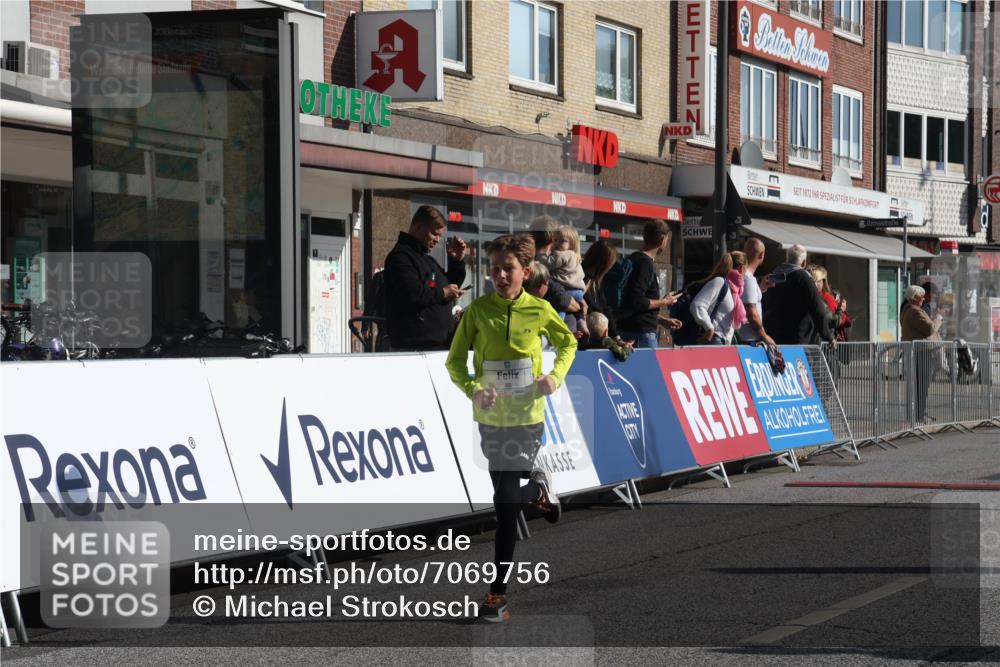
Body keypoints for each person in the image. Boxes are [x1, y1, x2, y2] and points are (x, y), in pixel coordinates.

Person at [445, 234, 577, 624]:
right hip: (491, 421)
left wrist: (555, 376)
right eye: (495, 268)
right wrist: (474, 389)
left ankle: (496, 596)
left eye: (509, 269)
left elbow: (568, 342)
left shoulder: (538, 309)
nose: (500, 276)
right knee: (505, 493)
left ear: (526, 270)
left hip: (527, 418)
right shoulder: (477, 311)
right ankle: (536, 487)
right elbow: (455, 364)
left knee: (504, 504)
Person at [382, 205, 468, 351]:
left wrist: (457, 262)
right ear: (419, 227)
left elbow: (448, 285)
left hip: (436, 346)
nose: (437, 240)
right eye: (434, 234)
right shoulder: (400, 257)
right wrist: (442, 292)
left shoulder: (427, 260)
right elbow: (413, 294)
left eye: (440, 236)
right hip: (414, 349)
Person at [617, 220, 680, 348]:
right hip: (640, 334)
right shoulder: (645, 264)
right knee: (649, 368)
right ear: (662, 240)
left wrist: (662, 321)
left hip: (628, 329)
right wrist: (665, 301)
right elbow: (637, 301)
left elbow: (634, 305)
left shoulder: (632, 259)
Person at [761, 244, 834, 346]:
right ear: (804, 262)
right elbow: (817, 308)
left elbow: (764, 302)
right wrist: (827, 336)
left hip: (772, 336)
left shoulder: (775, 275)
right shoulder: (804, 278)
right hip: (796, 338)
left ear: (787, 258)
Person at [529, 215, 585, 323]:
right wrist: (579, 306)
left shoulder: (526, 261)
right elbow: (560, 298)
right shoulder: (539, 264)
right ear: (552, 238)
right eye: (557, 238)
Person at [901, 284, 942, 424]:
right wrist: (938, 318)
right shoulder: (914, 311)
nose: (924, 299)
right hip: (922, 351)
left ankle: (921, 413)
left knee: (922, 385)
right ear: (914, 297)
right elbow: (930, 328)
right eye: (921, 296)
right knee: (922, 385)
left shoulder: (911, 310)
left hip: (921, 351)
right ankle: (919, 415)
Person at [690, 251, 748, 345]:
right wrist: (709, 328)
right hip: (714, 339)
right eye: (746, 270)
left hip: (724, 341)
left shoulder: (733, 289)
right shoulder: (719, 282)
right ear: (741, 268)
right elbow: (697, 305)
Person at [542, 225, 589, 338]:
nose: (557, 243)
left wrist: (540, 256)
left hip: (566, 289)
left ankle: (560, 327)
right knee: (577, 312)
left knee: (560, 309)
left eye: (562, 241)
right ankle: (581, 322)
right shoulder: (576, 258)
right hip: (578, 292)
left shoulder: (562, 254)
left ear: (571, 244)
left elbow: (547, 263)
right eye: (555, 240)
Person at [737, 238, 774, 345]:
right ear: (761, 254)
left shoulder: (743, 276)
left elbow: (747, 301)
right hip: (749, 340)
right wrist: (764, 336)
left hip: (744, 338)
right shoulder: (748, 279)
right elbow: (752, 314)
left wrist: (761, 288)